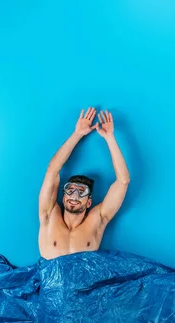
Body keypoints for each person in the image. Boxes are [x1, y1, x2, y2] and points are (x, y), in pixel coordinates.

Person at [38, 107, 130, 260]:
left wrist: (110, 138)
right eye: (70, 190)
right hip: (51, 280)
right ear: (64, 196)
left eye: (81, 192)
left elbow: (123, 181)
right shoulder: (49, 214)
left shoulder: (97, 219)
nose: (74, 195)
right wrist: (77, 134)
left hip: (86, 283)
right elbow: (52, 171)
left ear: (88, 202)